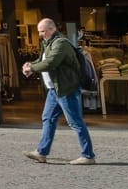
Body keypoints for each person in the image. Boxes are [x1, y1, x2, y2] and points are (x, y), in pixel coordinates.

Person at [22, 17, 96, 165]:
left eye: (42, 31)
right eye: (39, 32)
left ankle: (88, 155)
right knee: (48, 119)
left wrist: (32, 68)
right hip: (54, 89)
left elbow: (51, 62)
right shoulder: (48, 43)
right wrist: (31, 65)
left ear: (52, 29)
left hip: (65, 88)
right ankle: (41, 152)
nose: (40, 34)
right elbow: (43, 59)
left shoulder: (60, 44)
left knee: (75, 122)